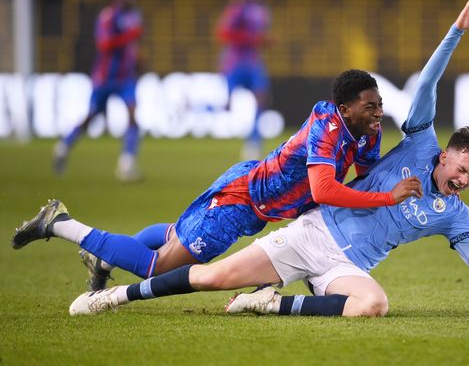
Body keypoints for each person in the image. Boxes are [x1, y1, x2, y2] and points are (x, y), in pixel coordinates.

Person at [64, 0, 469, 317]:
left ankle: (268, 305)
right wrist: (455, 32)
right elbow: (427, 84)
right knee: (206, 275)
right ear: (445, 155)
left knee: (372, 304)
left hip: (344, 265)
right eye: (463, 168)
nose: (465, 180)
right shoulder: (419, 140)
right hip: (314, 228)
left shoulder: (456, 217)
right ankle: (112, 297)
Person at [13, 70, 421, 290]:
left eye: (380, 104)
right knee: (159, 268)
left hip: (252, 201)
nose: (378, 111)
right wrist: (389, 198)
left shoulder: (367, 131)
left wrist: (410, 163)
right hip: (239, 202)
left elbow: (364, 177)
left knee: (177, 234)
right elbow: (324, 190)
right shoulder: (327, 125)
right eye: (370, 106)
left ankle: (103, 258)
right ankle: (61, 224)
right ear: (344, 108)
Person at [53, 0, 143, 181]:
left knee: (133, 115)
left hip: (125, 77)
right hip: (105, 77)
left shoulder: (134, 15)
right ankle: (63, 146)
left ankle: (126, 164)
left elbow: (131, 45)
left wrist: (136, 59)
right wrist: (128, 36)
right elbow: (104, 44)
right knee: (91, 117)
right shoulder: (108, 16)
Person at [216, 0, 272, 160]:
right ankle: (220, 126)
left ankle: (253, 143)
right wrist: (253, 39)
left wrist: (265, 41)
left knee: (261, 99)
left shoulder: (264, 11)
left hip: (253, 61)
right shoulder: (238, 7)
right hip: (235, 61)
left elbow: (260, 37)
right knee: (228, 101)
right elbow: (224, 32)